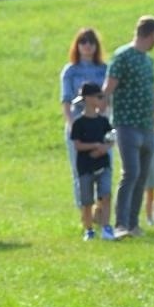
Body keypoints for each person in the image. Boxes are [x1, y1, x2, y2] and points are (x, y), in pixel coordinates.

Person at [103, 16, 154, 238]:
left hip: (146, 127)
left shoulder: (148, 62)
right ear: (152, 34)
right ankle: (121, 224)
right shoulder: (122, 56)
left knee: (141, 176)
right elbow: (109, 88)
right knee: (130, 173)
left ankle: (133, 224)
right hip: (126, 125)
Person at [60, 28, 108, 237]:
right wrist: (72, 125)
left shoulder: (104, 69)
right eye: (83, 41)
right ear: (77, 45)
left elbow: (107, 98)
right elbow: (66, 101)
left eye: (91, 42)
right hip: (79, 126)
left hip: (99, 126)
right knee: (80, 173)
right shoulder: (70, 71)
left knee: (105, 168)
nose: (87, 45)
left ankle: (101, 211)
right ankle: (85, 215)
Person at [67, 82, 114, 241]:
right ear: (88, 99)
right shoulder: (79, 123)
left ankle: (106, 227)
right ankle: (89, 229)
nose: (101, 100)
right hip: (85, 166)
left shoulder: (103, 121)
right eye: (98, 97)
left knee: (106, 195)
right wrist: (94, 146)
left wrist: (103, 149)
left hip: (103, 164)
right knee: (87, 200)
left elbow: (111, 139)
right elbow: (77, 145)